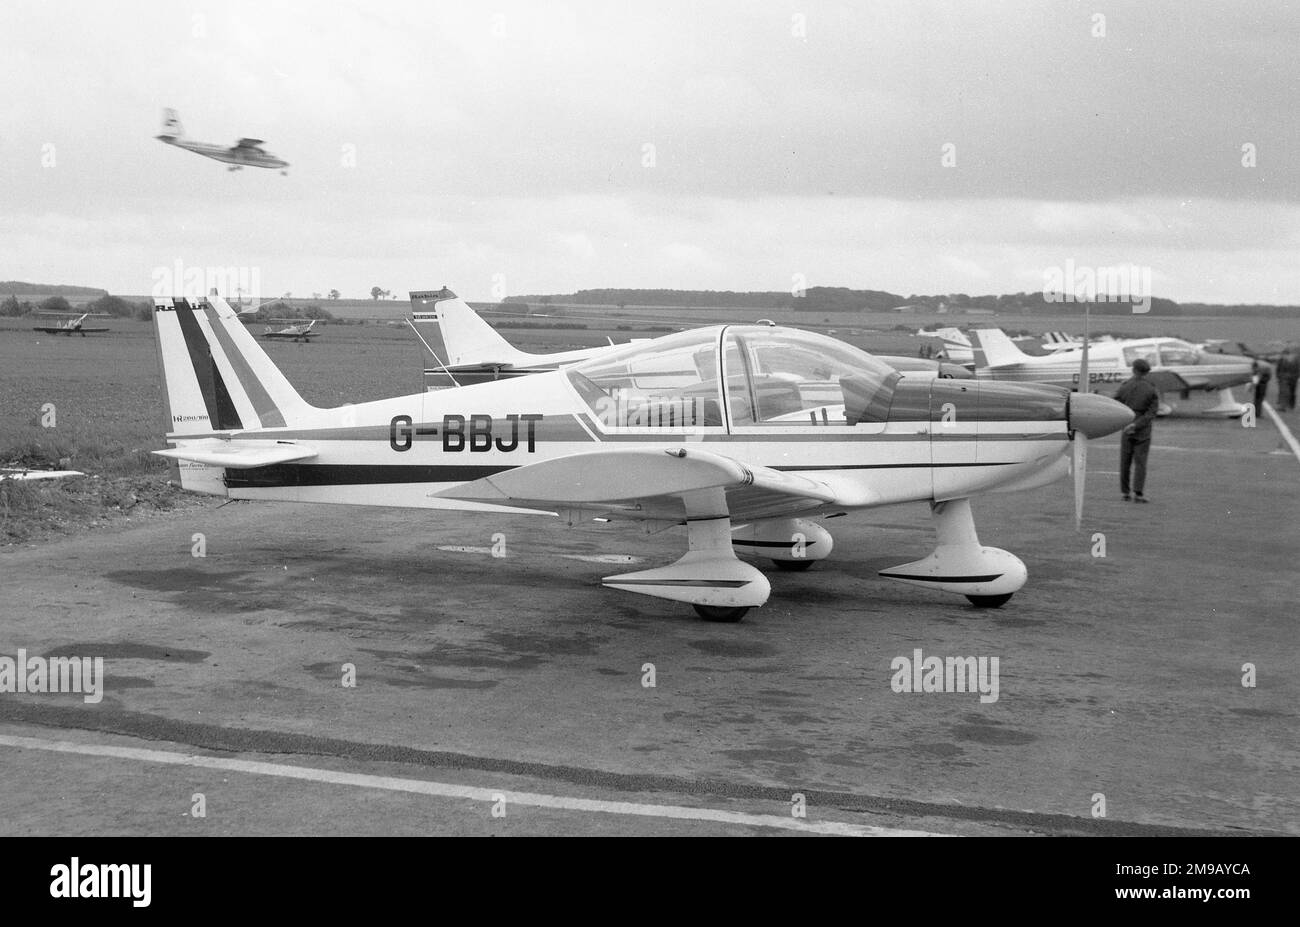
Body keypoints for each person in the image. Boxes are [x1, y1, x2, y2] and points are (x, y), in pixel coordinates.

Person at [1114, 357, 1160, 503]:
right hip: (1143, 429)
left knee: (1125, 461)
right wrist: (1138, 424)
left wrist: (1127, 423)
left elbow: (1115, 404)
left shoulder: (1124, 386)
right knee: (1141, 462)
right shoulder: (1151, 388)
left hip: (1126, 426)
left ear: (1134, 370)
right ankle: (1138, 493)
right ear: (1146, 372)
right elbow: (1151, 413)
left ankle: (1125, 492)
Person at [1275, 347, 1300, 412]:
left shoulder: (1295, 360)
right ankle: (1283, 406)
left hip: (1292, 378)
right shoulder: (1282, 359)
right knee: (1284, 391)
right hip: (1284, 378)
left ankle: (1291, 405)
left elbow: (1297, 369)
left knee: (1292, 392)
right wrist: (1278, 377)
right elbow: (1278, 369)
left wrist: (1297, 377)